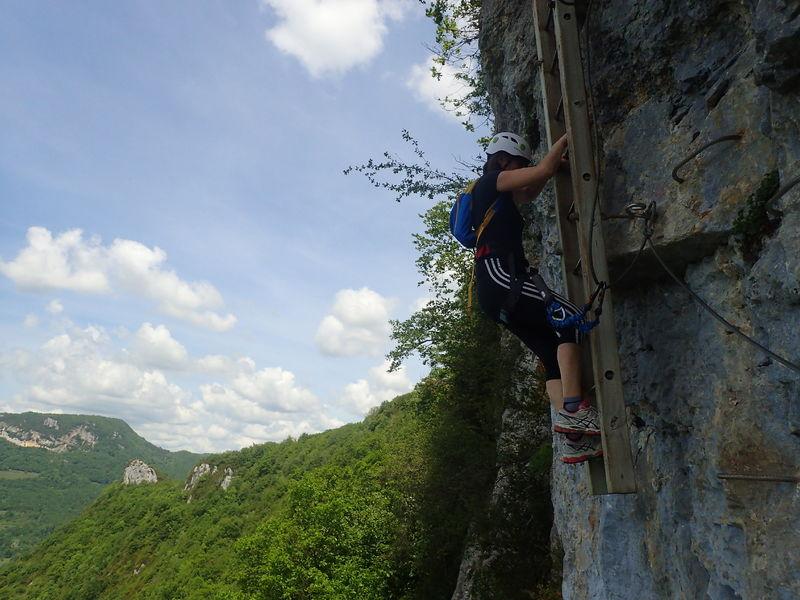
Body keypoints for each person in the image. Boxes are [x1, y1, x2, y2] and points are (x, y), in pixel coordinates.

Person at [472, 131, 602, 464]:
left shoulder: (498, 196)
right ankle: (576, 410)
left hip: (493, 287)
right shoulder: (491, 181)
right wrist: (568, 138)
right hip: (500, 275)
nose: (521, 170)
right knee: (567, 316)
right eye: (519, 164)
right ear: (502, 160)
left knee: (548, 348)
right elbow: (540, 172)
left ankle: (574, 438)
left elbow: (530, 189)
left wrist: (554, 165)